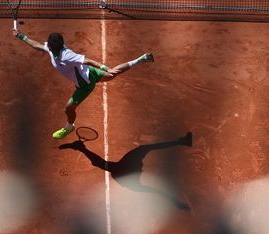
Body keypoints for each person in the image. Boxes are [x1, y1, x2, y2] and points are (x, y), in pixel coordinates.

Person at [13, 30, 153, 139]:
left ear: (51, 45)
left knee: (68, 109)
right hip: (89, 73)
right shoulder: (52, 48)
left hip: (85, 84)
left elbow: (88, 60)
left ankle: (69, 127)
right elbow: (37, 45)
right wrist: (20, 36)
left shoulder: (66, 55)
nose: (46, 45)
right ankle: (141, 59)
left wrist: (104, 68)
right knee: (113, 75)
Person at [59, 133, 193, 210]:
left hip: (123, 170)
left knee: (102, 163)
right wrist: (175, 202)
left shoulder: (128, 172)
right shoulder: (131, 172)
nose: (142, 171)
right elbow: (156, 191)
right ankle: (182, 142)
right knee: (102, 163)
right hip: (122, 170)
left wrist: (175, 202)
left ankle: (80, 148)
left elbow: (156, 191)